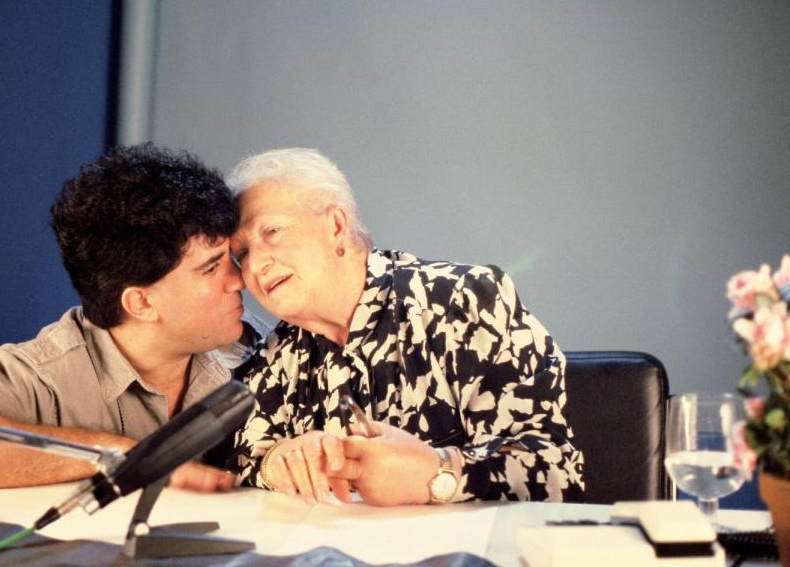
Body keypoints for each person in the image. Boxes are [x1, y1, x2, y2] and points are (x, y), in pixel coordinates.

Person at [0, 143, 263, 492]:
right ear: (141, 303)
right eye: (211, 268)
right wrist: (121, 455)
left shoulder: (257, 349)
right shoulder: (51, 373)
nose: (240, 279)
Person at [226, 148, 585, 506]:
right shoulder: (275, 355)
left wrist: (438, 472)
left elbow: (556, 473)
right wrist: (278, 463)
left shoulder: (466, 300)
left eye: (272, 231)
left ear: (336, 226)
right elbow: (237, 461)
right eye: (241, 254)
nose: (256, 263)